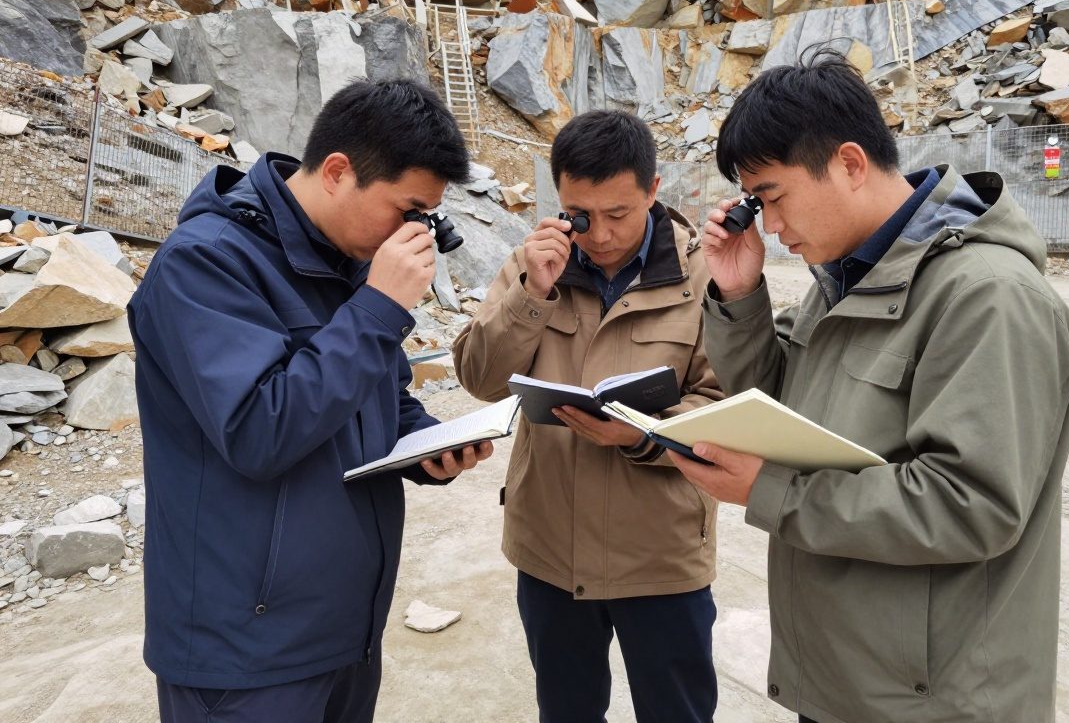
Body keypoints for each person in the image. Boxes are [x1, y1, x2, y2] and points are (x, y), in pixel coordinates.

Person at [671, 52, 1069, 723]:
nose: (770, 228)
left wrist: (767, 489)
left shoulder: (987, 296)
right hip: (849, 680)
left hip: (931, 701)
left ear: (850, 164)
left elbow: (971, 503)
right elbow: (778, 411)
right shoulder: (852, 275)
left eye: (773, 197)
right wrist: (741, 294)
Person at [128, 79, 493, 723]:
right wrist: (380, 306)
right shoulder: (205, 263)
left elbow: (377, 398)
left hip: (344, 631)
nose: (416, 234)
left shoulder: (347, 258)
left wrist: (425, 445)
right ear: (337, 171)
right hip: (248, 653)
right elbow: (259, 430)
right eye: (407, 210)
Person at [453, 110, 724, 723]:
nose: (598, 234)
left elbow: (726, 404)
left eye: (618, 214)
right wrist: (532, 295)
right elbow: (478, 378)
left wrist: (645, 433)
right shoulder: (533, 264)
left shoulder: (704, 274)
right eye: (581, 214)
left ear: (654, 190)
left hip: (660, 557)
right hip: (550, 550)